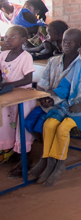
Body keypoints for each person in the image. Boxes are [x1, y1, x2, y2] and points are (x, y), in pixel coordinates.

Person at [28, 33, 81, 187]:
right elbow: (66, 86)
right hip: (69, 103)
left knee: (63, 128)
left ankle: (60, 164)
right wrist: (52, 95)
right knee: (49, 124)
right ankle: (47, 160)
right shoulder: (78, 65)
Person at [0, 26, 36, 166]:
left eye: (12, 37)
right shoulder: (3, 55)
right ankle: (14, 152)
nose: (8, 40)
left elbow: (28, 80)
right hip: (9, 96)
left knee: (21, 127)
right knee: (8, 126)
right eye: (6, 37)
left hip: (23, 98)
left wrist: (7, 85)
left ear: (23, 40)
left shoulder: (26, 57)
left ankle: (26, 160)